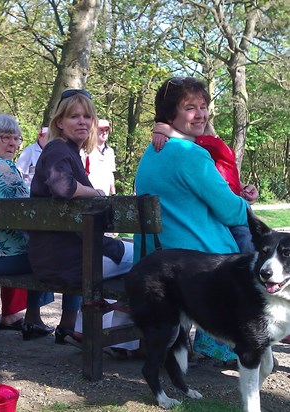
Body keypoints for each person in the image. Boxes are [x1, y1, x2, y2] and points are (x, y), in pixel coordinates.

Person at [134, 77, 249, 363]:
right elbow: (231, 211)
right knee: (253, 260)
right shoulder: (190, 155)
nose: (200, 114)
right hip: (194, 260)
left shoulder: (152, 153)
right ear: (170, 114)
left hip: (154, 255)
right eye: (190, 108)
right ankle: (226, 346)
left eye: (203, 106)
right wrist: (246, 202)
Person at [28, 89, 135, 351]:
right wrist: (96, 192)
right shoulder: (57, 150)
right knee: (147, 258)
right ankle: (125, 342)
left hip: (58, 257)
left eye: (87, 116)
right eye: (74, 116)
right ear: (59, 122)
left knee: (136, 256)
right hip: (69, 261)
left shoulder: (66, 152)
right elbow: (63, 187)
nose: (83, 122)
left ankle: (90, 331)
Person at [0, 113, 54, 338]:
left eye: (16, 139)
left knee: (44, 253)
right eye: (5, 137)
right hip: (4, 258)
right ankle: (40, 320)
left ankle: (29, 317)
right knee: (59, 257)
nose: (13, 143)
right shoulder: (5, 168)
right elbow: (30, 212)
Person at [151, 122, 258, 252]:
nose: (201, 143)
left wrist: (173, 134)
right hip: (216, 218)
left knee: (246, 238)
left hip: (230, 216)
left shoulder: (225, 152)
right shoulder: (199, 160)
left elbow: (211, 145)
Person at [86, 119, 116, 196]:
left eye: (107, 130)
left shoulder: (110, 151)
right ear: (94, 131)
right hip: (88, 194)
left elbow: (110, 174)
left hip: (105, 195)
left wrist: (113, 194)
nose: (104, 133)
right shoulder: (86, 150)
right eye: (101, 130)